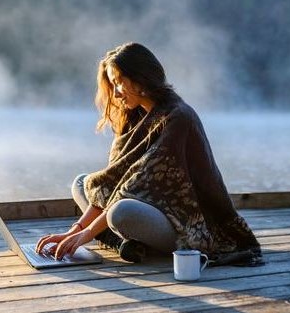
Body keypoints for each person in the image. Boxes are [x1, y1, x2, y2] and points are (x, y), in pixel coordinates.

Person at [36, 42, 263, 266]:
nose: (116, 93)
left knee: (121, 212)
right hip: (148, 206)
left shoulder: (178, 118)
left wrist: (84, 236)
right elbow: (112, 184)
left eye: (118, 83)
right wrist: (72, 232)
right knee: (82, 183)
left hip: (187, 223)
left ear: (139, 79)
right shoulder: (135, 116)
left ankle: (115, 238)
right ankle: (122, 241)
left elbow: (131, 189)